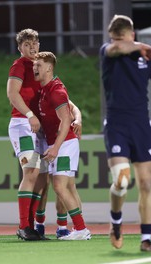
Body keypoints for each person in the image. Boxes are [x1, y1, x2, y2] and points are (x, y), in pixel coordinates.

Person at [99, 15, 151, 251]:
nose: (118, 42)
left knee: (145, 183)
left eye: (122, 38)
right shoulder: (108, 50)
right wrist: (139, 46)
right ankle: (116, 221)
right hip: (116, 125)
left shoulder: (146, 58)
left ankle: (146, 238)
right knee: (122, 181)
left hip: (141, 125)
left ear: (132, 34)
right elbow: (117, 48)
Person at [7, 29, 81, 240]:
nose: (31, 47)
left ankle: (34, 226)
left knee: (41, 182)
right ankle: (24, 227)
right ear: (19, 48)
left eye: (34, 43)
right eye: (27, 44)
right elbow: (12, 94)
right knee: (30, 172)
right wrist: (30, 114)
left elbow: (65, 100)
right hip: (23, 125)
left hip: (38, 129)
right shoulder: (19, 65)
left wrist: (78, 117)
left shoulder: (40, 69)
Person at [34, 51, 91, 240]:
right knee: (70, 188)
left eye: (39, 65)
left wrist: (56, 148)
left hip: (65, 144)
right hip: (61, 143)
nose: (35, 68)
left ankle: (81, 229)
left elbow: (66, 120)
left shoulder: (56, 91)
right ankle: (80, 229)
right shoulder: (47, 88)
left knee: (59, 186)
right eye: (34, 65)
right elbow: (73, 108)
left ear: (49, 68)